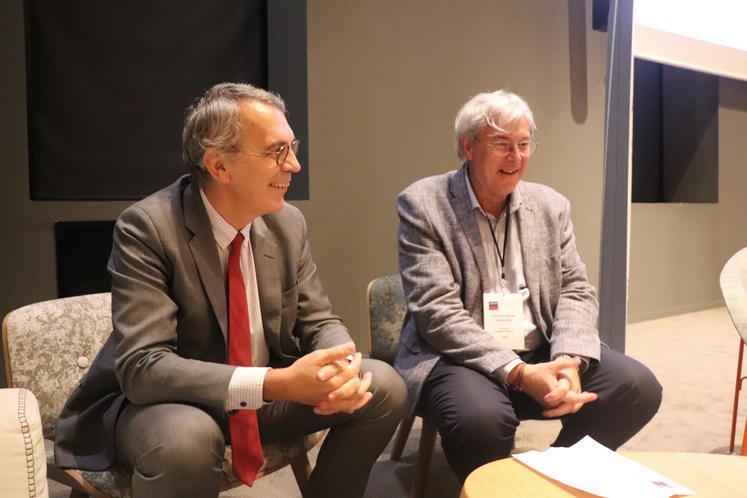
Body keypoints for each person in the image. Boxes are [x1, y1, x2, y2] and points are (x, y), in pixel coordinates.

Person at [54, 82, 405, 498]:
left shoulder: (286, 224)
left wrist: (341, 362)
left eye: (293, 147)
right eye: (277, 151)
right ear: (220, 166)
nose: (293, 165)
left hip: (263, 398)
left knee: (380, 385)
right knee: (187, 439)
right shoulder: (148, 227)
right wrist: (274, 383)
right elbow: (143, 367)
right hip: (168, 405)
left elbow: (320, 320)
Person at [394, 89, 662, 483]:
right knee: (482, 421)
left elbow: (575, 288)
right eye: (502, 144)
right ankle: (499, 490)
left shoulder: (550, 205)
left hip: (542, 350)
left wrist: (569, 360)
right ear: (468, 146)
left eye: (524, 144)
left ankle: (552, 475)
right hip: (460, 358)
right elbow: (437, 312)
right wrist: (518, 373)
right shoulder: (424, 204)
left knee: (637, 387)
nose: (516, 157)